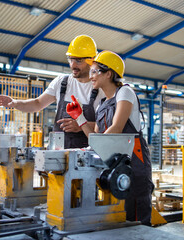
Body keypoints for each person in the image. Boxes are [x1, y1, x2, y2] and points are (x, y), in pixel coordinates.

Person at [66, 50, 154, 226]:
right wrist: (80, 118)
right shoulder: (101, 105)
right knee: (116, 212)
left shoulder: (125, 92)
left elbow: (116, 128)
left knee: (135, 212)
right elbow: (96, 137)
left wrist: (97, 147)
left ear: (109, 73)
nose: (91, 76)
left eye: (94, 71)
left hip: (133, 160)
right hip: (114, 161)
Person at [0, 35, 105, 148]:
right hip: (57, 155)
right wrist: (15, 103)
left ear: (91, 60)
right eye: (70, 59)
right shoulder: (62, 82)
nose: (73, 65)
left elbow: (108, 128)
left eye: (78, 60)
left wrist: (82, 125)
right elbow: (37, 104)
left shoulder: (101, 89)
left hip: (87, 158)